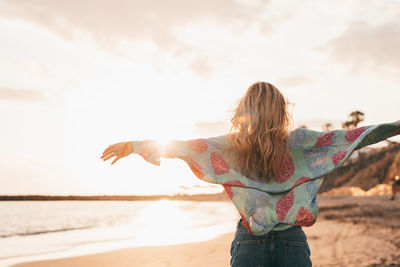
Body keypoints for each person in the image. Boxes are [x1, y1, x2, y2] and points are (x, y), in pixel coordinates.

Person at [101, 81, 400, 267]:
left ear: (245, 110)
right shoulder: (299, 143)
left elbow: (185, 147)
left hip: (248, 243)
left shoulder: (231, 147)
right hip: (292, 243)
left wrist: (134, 146)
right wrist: (395, 127)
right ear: (281, 112)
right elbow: (351, 137)